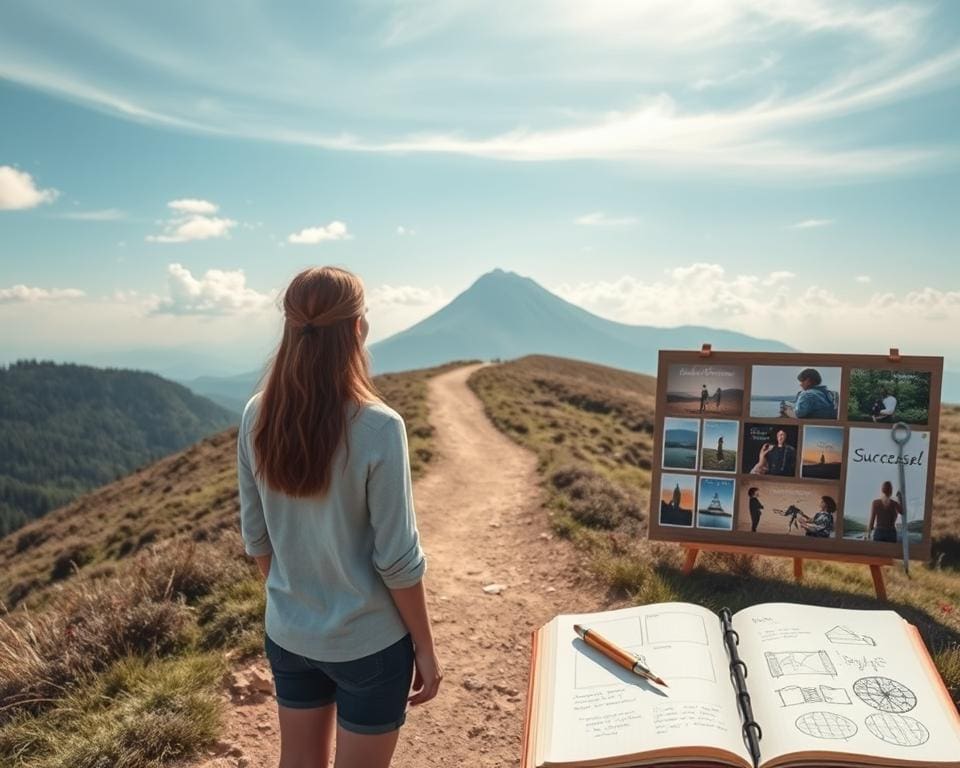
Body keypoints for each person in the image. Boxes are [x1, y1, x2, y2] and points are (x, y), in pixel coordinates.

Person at [237, 266, 442, 768]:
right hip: (368, 645)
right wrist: (425, 647)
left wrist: (298, 604)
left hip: (289, 634)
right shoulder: (378, 425)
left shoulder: (256, 414)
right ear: (356, 328)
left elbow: (257, 539)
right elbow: (397, 560)